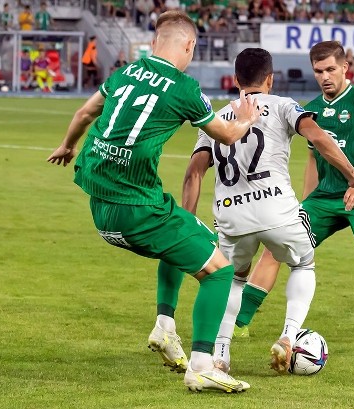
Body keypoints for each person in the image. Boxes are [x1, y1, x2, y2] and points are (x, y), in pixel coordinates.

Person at [47, 10, 264, 393]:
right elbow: (227, 135)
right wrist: (246, 116)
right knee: (220, 271)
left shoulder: (125, 73)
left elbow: (84, 112)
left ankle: (165, 327)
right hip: (137, 208)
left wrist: (67, 145)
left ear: (153, 44)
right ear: (190, 45)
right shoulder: (184, 88)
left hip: (101, 204)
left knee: (182, 233)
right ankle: (201, 365)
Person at [181, 48, 354, 375]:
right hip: (276, 209)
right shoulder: (283, 105)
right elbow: (318, 136)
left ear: (236, 80)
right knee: (303, 264)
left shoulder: (215, 118)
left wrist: (186, 222)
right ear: (270, 79)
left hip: (231, 216)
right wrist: (353, 175)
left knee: (232, 279)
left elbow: (194, 172)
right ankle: (288, 335)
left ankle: (221, 354)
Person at [232, 40, 354, 346]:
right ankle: (240, 323)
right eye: (319, 71)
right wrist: (306, 201)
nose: (325, 76)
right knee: (276, 248)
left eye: (331, 69)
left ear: (345, 67)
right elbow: (313, 157)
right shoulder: (312, 110)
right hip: (323, 198)